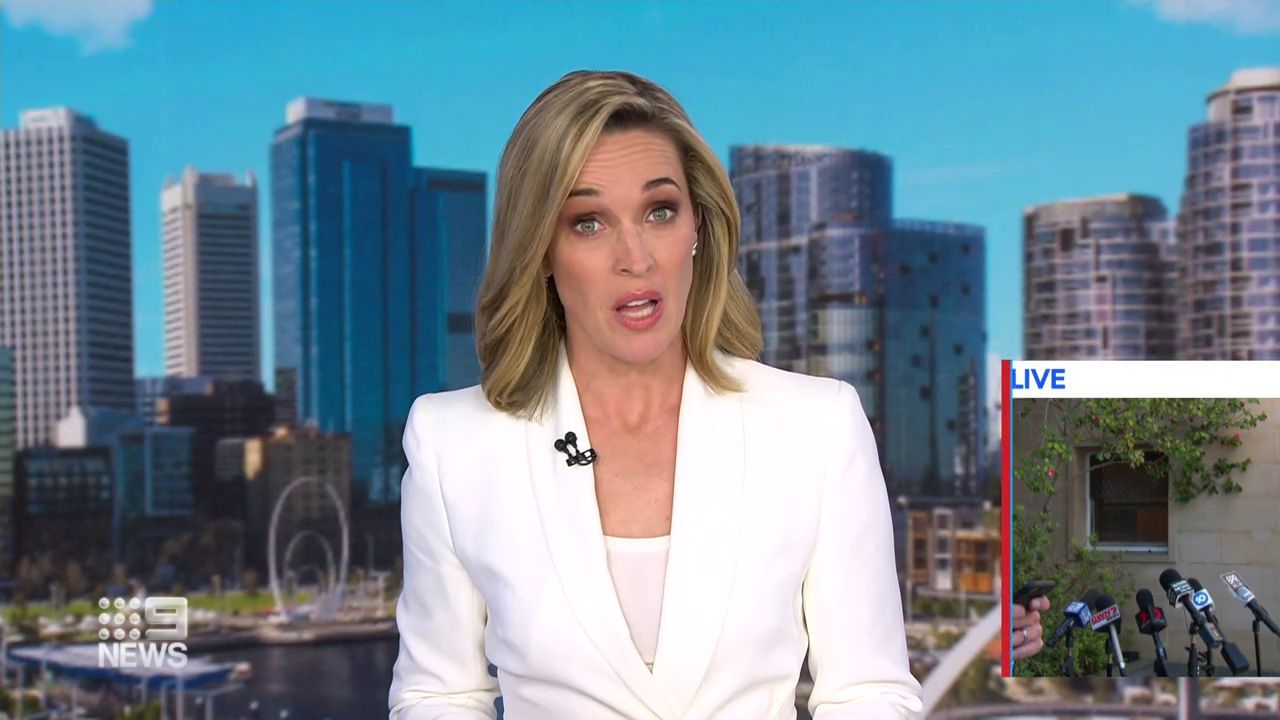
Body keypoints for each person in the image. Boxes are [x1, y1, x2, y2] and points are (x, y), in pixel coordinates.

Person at [388, 70, 923, 720]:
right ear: (541, 251)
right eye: (588, 223)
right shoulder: (453, 443)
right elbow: (439, 696)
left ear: (698, 226)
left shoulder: (817, 427)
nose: (635, 257)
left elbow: (869, 692)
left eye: (659, 211)